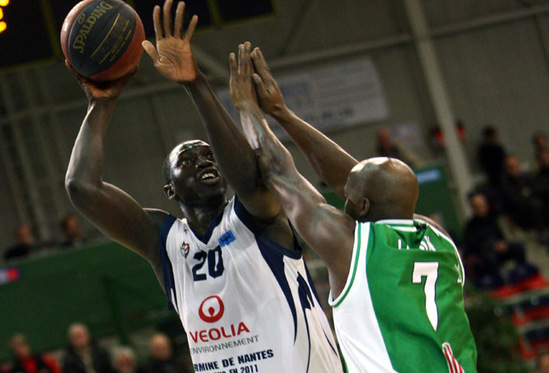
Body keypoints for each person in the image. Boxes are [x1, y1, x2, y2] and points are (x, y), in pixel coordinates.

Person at [64, 1, 342, 372]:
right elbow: (81, 187)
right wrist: (100, 105)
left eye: (209, 157)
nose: (204, 162)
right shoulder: (163, 243)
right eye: (188, 161)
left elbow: (249, 175)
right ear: (170, 190)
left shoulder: (258, 216)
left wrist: (195, 82)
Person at [229, 44, 477, 372]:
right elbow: (364, 184)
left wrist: (247, 108)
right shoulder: (437, 236)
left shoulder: (350, 247)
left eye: (349, 194)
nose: (341, 192)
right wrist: (282, 115)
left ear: (361, 205)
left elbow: (277, 171)